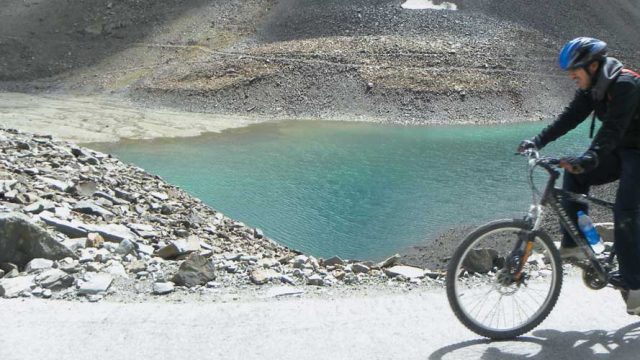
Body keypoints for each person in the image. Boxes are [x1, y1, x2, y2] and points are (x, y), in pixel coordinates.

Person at [517, 37, 640, 315]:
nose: (572, 76)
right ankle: (574, 246)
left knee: (626, 210)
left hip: (635, 151)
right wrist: (537, 140)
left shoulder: (625, 85)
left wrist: (590, 158)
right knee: (574, 175)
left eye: (576, 70)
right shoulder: (593, 87)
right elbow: (570, 117)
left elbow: (613, 131)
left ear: (594, 65)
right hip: (622, 148)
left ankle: (636, 288)